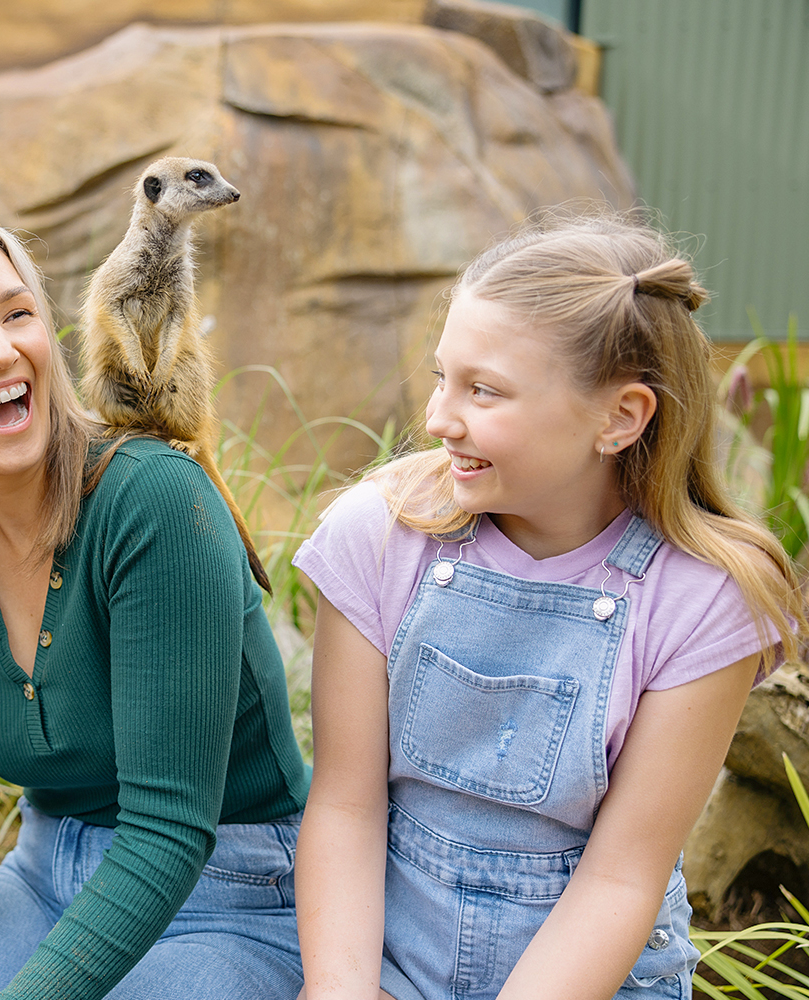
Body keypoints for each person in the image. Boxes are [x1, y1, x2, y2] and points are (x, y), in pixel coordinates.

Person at [292, 211, 805, 1000]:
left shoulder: (704, 601)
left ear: (620, 417)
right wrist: (342, 991)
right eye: (442, 377)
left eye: (483, 391)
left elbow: (621, 878)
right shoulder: (379, 534)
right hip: (387, 956)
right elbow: (345, 804)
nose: (437, 419)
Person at [0, 208, 311, 1000]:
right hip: (45, 872)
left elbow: (166, 830)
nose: (0, 350)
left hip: (234, 888)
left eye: (18, 314)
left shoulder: (153, 500)